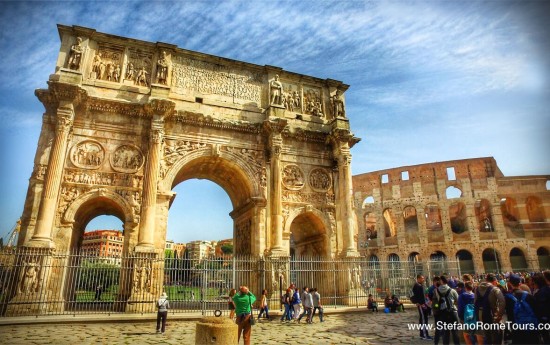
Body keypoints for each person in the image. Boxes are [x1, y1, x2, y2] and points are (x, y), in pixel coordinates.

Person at [504, 274, 540, 344]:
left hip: (517, 327)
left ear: (509, 283)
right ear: (520, 283)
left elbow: (508, 314)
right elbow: (536, 310)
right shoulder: (528, 295)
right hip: (531, 326)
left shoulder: (507, 297)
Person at [474, 273, 506, 345]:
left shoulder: (477, 288)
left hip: (482, 316)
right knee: (497, 336)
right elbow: (502, 301)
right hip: (493, 315)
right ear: (494, 280)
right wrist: (499, 315)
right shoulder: (495, 289)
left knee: (487, 336)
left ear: (486, 280)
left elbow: (475, 302)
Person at [436, 275, 460, 345]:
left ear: (441, 281)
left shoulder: (437, 291)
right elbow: (457, 300)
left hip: (443, 313)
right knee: (455, 331)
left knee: (446, 332)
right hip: (453, 312)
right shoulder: (452, 290)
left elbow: (438, 301)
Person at [411, 274, 432, 340]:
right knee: (423, 320)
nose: (423, 279)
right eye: (422, 278)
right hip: (421, 305)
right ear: (418, 279)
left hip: (423, 304)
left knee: (424, 319)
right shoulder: (417, 286)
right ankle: (424, 335)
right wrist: (420, 303)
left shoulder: (420, 286)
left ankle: (423, 334)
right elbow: (417, 296)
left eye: (423, 278)